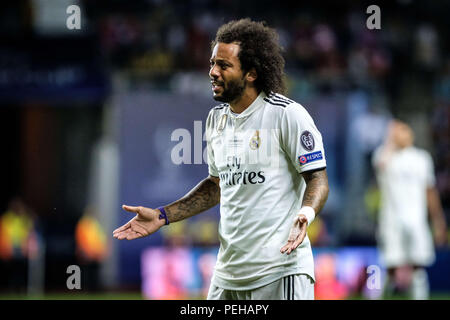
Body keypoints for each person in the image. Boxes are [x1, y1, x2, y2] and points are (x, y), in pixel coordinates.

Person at [113, 18, 329, 300]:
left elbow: (317, 179)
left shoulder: (286, 115)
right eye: (212, 63)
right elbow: (217, 185)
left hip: (280, 271)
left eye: (224, 66)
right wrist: (162, 216)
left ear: (251, 73)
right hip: (228, 274)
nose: (213, 72)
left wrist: (306, 213)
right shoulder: (216, 120)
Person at [372, 120, 448, 299]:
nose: (403, 134)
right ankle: (376, 294)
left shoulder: (422, 158)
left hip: (416, 220)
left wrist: (438, 220)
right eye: (399, 131)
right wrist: (389, 140)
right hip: (391, 221)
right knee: (389, 266)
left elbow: (430, 191)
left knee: (418, 265)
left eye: (405, 131)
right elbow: (380, 165)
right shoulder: (384, 155)